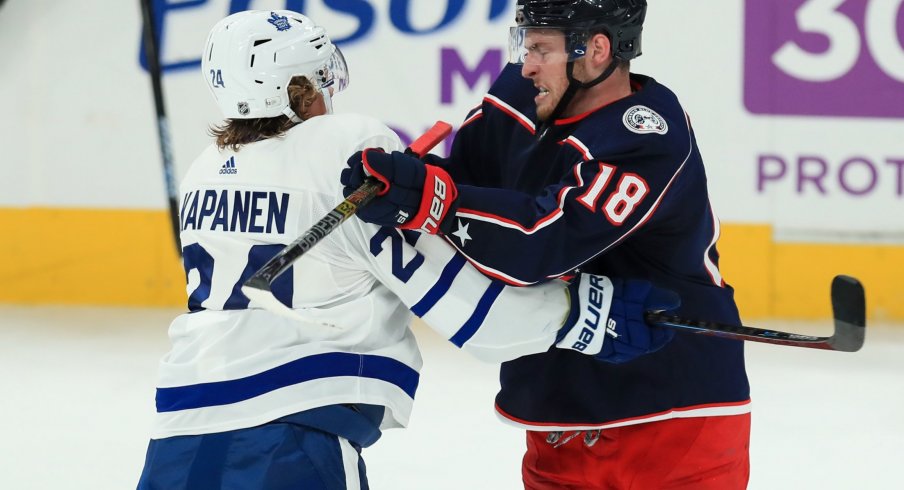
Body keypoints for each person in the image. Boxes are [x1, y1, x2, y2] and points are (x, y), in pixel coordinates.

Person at [137, 9, 678, 490]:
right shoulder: (341, 145)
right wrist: (581, 315)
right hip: (285, 436)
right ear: (298, 89)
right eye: (319, 81)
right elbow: (464, 305)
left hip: (174, 438)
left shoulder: (206, 170)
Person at [341, 1, 752, 488]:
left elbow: (539, 243)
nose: (526, 64)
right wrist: (405, 184)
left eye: (541, 48)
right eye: (524, 44)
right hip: (558, 411)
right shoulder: (520, 95)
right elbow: (470, 188)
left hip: (671, 413)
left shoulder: (646, 133)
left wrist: (429, 198)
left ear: (597, 49)